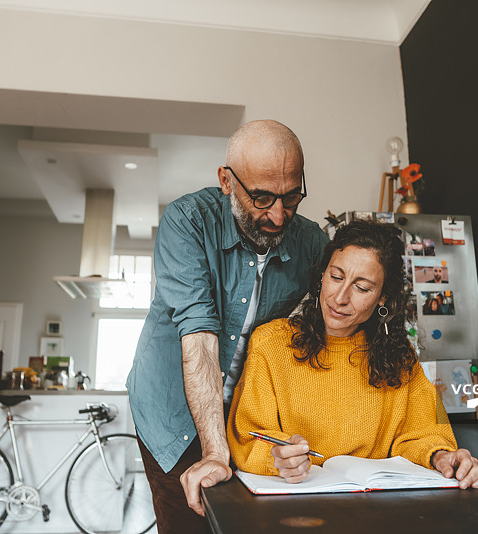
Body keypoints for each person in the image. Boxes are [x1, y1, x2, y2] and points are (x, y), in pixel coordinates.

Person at [126, 120, 329, 533]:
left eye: (291, 197)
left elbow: (328, 333)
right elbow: (199, 335)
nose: (278, 215)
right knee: (190, 522)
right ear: (226, 181)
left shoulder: (311, 242)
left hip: (249, 417)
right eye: (262, 198)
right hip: (172, 410)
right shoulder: (188, 222)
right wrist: (215, 453)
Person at [227, 219, 478, 489]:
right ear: (322, 276)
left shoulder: (400, 358)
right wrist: (278, 459)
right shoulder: (270, 345)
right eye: (336, 276)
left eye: (362, 287)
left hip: (377, 509)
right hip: (296, 506)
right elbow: (249, 439)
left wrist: (442, 457)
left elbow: (422, 436)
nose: (340, 297)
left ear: (383, 297)